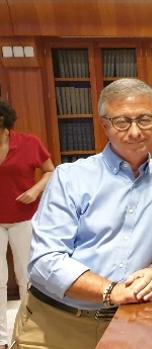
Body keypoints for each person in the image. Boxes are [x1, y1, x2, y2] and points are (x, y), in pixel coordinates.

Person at [12, 78, 152, 349]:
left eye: (145, 119)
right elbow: (46, 261)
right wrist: (111, 291)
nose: (135, 132)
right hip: (54, 324)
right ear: (105, 125)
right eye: (122, 122)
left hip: (129, 322)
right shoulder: (69, 178)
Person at [0, 100, 55, 349]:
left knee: (27, 277)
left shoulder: (29, 142)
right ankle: (1, 339)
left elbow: (50, 171)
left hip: (24, 217)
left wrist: (35, 191)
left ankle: (27, 334)